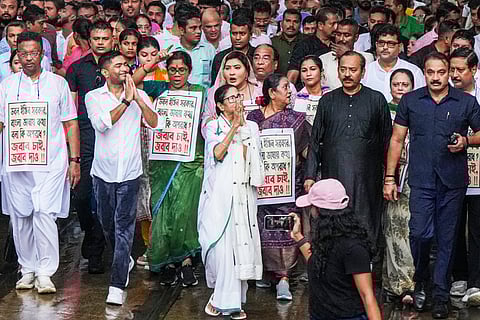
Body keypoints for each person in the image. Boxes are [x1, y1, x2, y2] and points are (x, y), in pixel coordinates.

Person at [384, 51, 480, 318]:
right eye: (430, 72)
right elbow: (396, 139)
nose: (436, 77)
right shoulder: (411, 101)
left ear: (449, 72)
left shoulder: (465, 101)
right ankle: (421, 280)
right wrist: (390, 178)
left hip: (453, 181)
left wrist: (466, 141)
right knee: (419, 233)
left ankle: (439, 294)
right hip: (421, 179)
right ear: (423, 73)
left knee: (447, 239)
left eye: (441, 72)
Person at [0, 31, 80, 294]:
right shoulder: (7, 86)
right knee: (20, 216)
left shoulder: (57, 84)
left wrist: (74, 159)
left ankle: (46, 272)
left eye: (33, 53)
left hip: (52, 163)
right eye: (23, 53)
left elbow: (70, 123)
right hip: (17, 163)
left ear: (42, 54)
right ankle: (27, 269)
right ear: (17, 54)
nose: (28, 58)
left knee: (44, 213)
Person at [85, 50, 161, 305]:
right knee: (108, 225)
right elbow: (102, 124)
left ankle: (117, 284)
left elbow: (155, 122)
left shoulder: (138, 94)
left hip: (130, 173)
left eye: (126, 65)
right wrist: (126, 102)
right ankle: (123, 258)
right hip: (103, 173)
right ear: (106, 72)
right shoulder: (93, 97)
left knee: (125, 228)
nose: (124, 68)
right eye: (118, 65)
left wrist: (137, 100)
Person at [305, 51, 392, 259]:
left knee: (366, 223)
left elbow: (388, 142)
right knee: (334, 224)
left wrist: (390, 177)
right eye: (343, 69)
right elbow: (315, 141)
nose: (347, 74)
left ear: (363, 72)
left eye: (353, 70)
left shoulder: (376, 100)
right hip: (334, 175)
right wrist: (309, 175)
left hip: (368, 179)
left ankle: (367, 271)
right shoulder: (328, 101)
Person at [132, 50, 206, 286]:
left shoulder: (199, 92)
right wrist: (154, 62)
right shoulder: (159, 88)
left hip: (190, 160)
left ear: (189, 71)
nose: (176, 75)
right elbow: (132, 83)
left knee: (184, 211)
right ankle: (166, 262)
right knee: (162, 210)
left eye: (181, 70)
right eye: (172, 70)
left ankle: (185, 262)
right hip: (162, 160)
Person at [198, 83, 264, 319]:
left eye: (239, 96)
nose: (237, 101)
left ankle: (233, 302)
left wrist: (243, 128)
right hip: (220, 196)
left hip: (244, 195)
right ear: (220, 105)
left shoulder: (253, 127)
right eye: (232, 98)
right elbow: (217, 154)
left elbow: (255, 159)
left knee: (241, 247)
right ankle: (221, 298)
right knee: (223, 250)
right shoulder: (213, 126)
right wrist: (234, 127)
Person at [247, 73, 309, 301]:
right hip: (259, 186)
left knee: (284, 227)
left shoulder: (297, 120)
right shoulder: (253, 118)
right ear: (272, 93)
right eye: (285, 87)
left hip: (287, 187)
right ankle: (264, 271)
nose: (290, 92)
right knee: (260, 227)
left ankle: (283, 277)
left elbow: (307, 151)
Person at [290, 179, 382, 320]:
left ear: (320, 211)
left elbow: (367, 295)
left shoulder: (354, 249)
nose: (311, 212)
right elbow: (317, 262)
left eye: (311, 207)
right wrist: (298, 236)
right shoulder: (325, 238)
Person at [66, 20, 114, 274]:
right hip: (85, 136)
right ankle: (90, 232)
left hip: (113, 136)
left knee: (106, 196)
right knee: (83, 195)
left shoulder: (119, 67)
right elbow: (70, 110)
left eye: (105, 38)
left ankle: (97, 250)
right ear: (89, 40)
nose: (100, 42)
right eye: (96, 38)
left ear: (112, 39)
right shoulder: (76, 69)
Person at [448, 48, 480, 305]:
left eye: (460, 70)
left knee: (478, 228)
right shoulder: (446, 95)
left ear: (474, 70)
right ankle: (459, 276)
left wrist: (468, 140)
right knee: (454, 225)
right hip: (452, 171)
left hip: (479, 172)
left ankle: (477, 281)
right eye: (452, 69)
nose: (454, 75)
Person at [382, 68, 415, 304]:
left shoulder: (418, 108)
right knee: (392, 227)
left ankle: (410, 281)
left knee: (410, 228)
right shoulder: (382, 109)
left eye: (405, 84)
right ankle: (396, 283)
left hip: (415, 177)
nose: (400, 88)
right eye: (396, 84)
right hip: (389, 175)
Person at [362, 24, 425, 102]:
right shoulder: (366, 71)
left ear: (399, 47)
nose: (385, 47)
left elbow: (421, 100)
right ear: (376, 45)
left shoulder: (414, 71)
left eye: (390, 44)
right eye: (381, 43)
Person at [164, 3, 215, 88]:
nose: (198, 31)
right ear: (181, 30)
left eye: (200, 27)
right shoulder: (170, 50)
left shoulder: (209, 50)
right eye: (193, 28)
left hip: (203, 98)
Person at [204, 51, 261, 125]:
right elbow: (206, 118)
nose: (231, 73)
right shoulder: (213, 92)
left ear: (247, 72)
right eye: (227, 68)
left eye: (237, 68)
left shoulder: (259, 92)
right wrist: (211, 121)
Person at [287, 7, 338, 84]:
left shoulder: (338, 44)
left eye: (337, 23)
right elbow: (293, 75)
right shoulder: (304, 45)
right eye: (332, 24)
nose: (336, 27)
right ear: (320, 25)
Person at [320, 18, 374, 90]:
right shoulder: (323, 59)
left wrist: (347, 54)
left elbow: (366, 83)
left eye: (347, 35)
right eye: (338, 34)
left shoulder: (367, 58)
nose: (341, 39)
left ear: (356, 38)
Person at [211, 11, 256, 84]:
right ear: (230, 33)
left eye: (242, 33)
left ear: (250, 35)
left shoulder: (256, 56)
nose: (238, 38)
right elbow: (215, 84)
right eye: (234, 33)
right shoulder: (220, 57)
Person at [271, 9, 307, 76]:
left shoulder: (308, 42)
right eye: (288, 21)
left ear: (300, 24)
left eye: (295, 22)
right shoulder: (273, 42)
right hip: (277, 84)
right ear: (281, 23)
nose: (291, 25)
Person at [295, 55, 328, 125]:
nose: (308, 74)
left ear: (321, 72)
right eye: (304, 70)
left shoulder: (331, 96)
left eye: (313, 69)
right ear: (300, 76)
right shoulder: (295, 99)